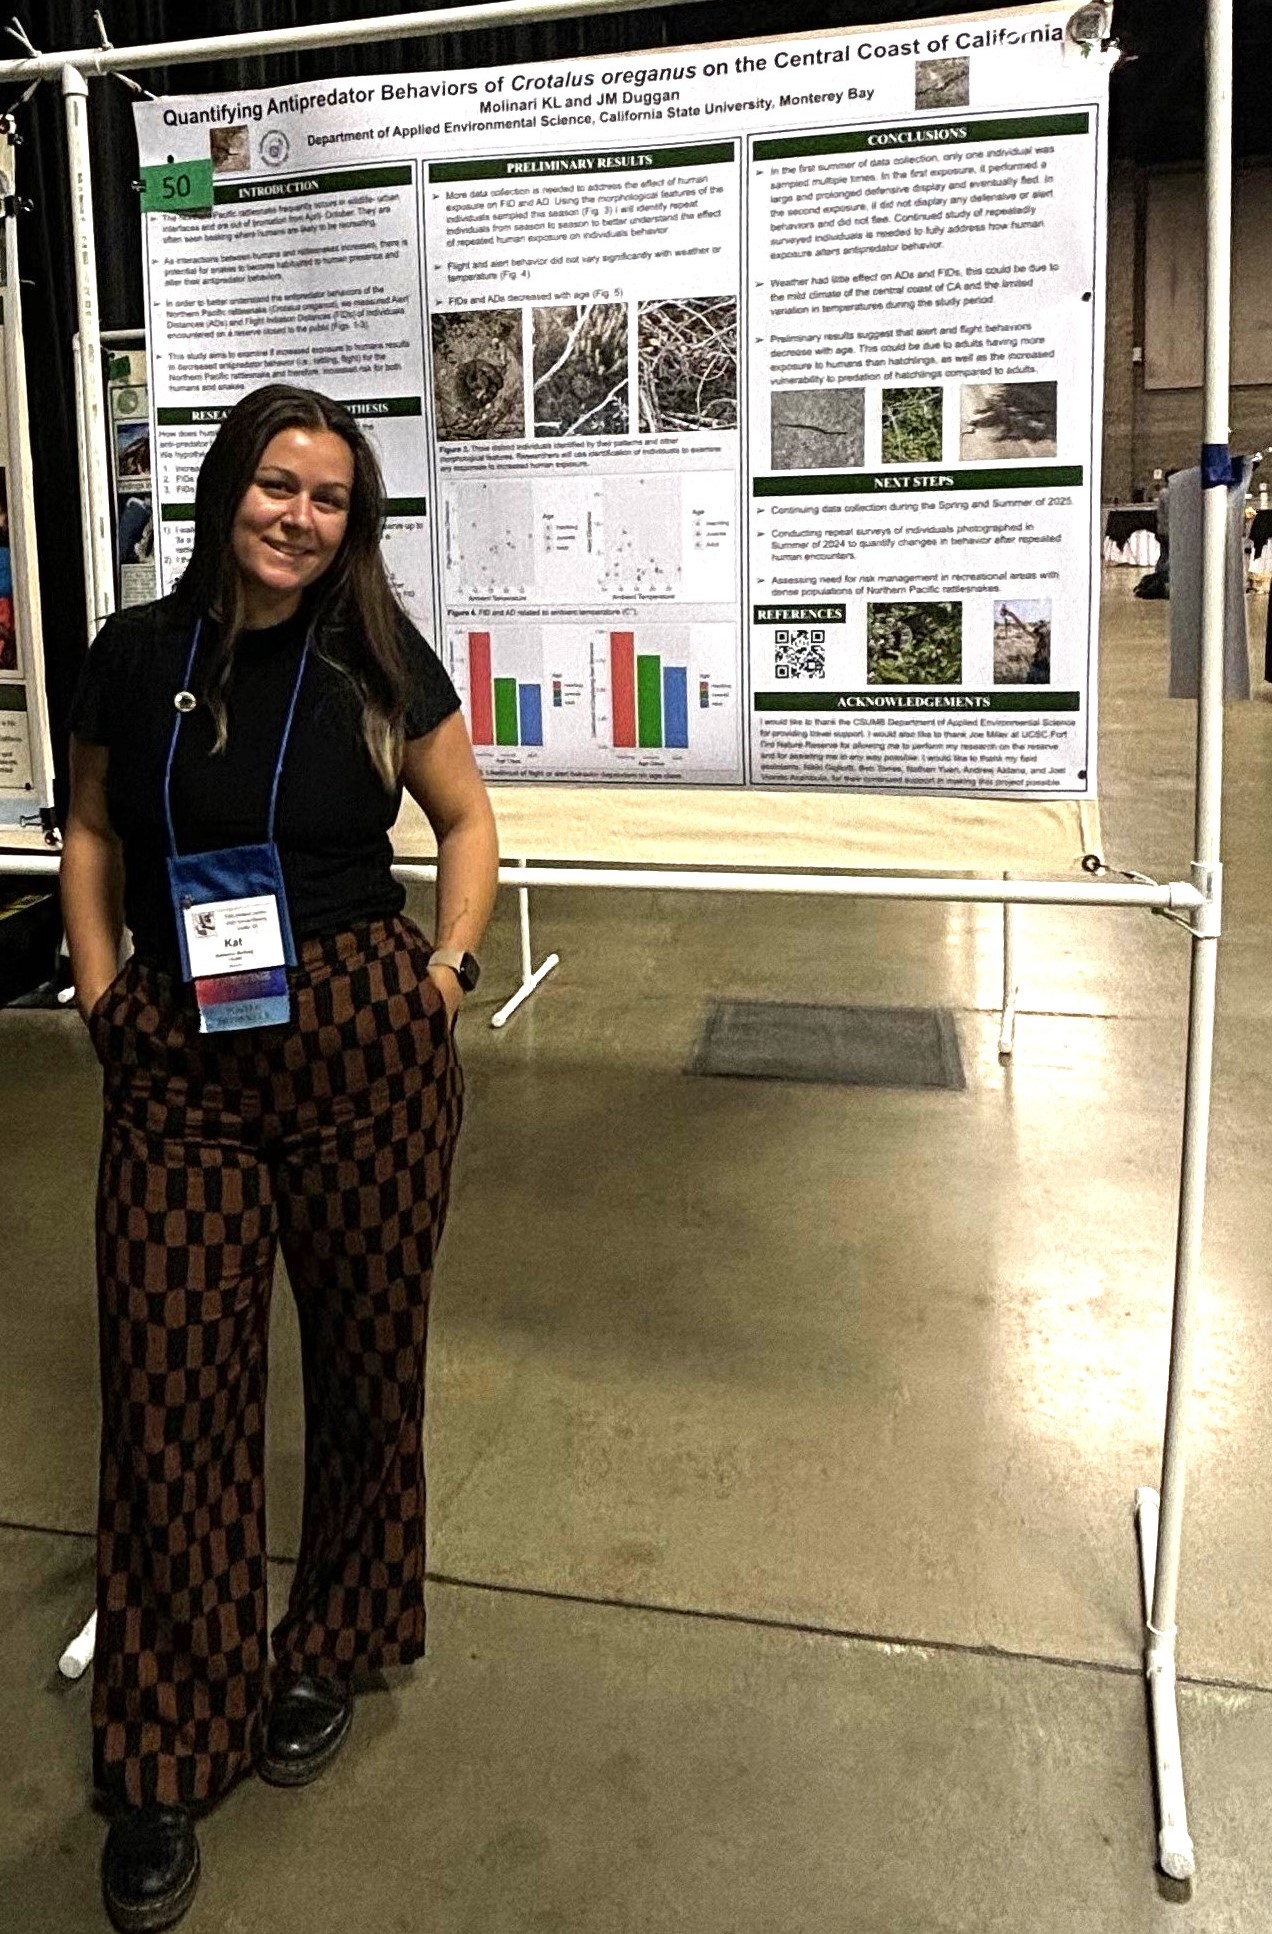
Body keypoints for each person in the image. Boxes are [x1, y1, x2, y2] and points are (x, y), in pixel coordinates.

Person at [61, 384, 499, 1933]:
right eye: (276, 484)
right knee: (171, 1389)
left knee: (371, 1365)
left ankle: (331, 1637)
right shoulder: (136, 654)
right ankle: (166, 1748)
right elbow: (96, 833)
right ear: (225, 489)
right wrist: (106, 993)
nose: (299, 515)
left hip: (361, 1039)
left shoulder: (377, 653)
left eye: (328, 496)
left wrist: (439, 979)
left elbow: (464, 821)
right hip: (180, 1053)